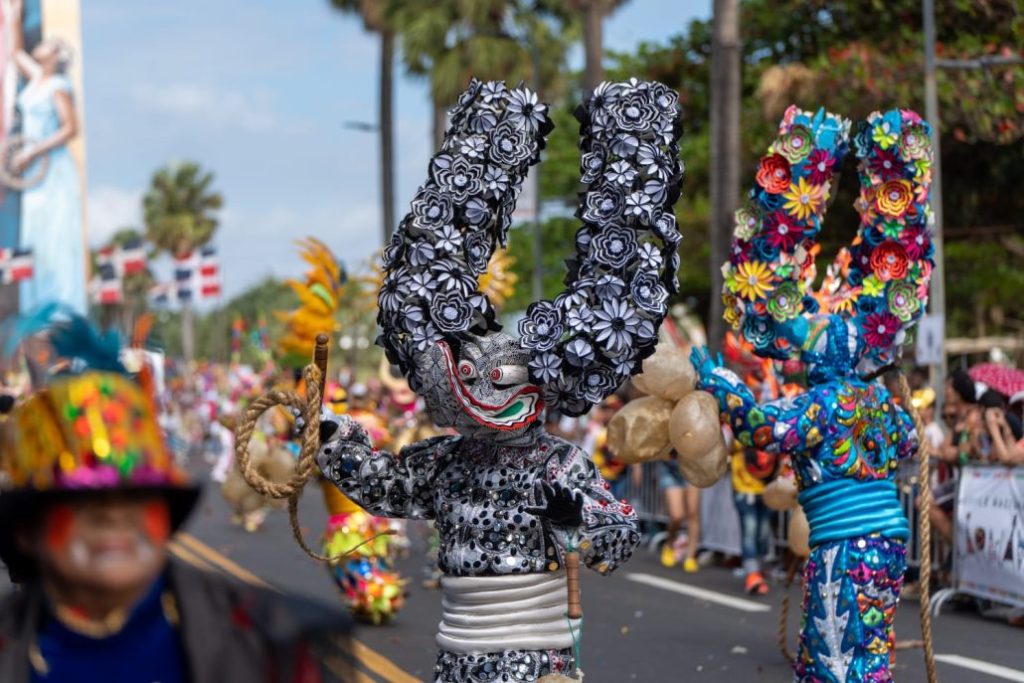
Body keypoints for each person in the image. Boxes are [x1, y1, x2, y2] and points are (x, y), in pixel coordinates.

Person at [318, 78, 682, 682]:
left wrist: (579, 517)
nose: (483, 392)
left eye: (501, 377)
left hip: (532, 662)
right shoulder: (447, 462)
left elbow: (618, 533)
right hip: (458, 660)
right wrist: (334, 440)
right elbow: (389, 488)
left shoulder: (558, 465)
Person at [696, 106, 934, 682]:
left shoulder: (824, 404)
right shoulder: (883, 405)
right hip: (888, 546)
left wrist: (719, 382)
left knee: (833, 659)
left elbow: (762, 430)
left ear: (821, 360)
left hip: (845, 546)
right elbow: (907, 441)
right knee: (865, 655)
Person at [0, 309, 351, 683]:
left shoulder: (272, 644)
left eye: (138, 496)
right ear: (28, 530)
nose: (115, 515)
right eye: (83, 501)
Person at [9, 0, 85, 314]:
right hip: (34, 175)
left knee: (56, 240)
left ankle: (62, 312)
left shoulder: (57, 85)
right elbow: (15, 53)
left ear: (55, 57)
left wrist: (34, 150)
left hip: (53, 170)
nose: (43, 44)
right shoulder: (37, 78)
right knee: (37, 240)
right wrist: (14, 17)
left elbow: (71, 128)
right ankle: (39, 310)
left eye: (50, 44)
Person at [658, 451, 701, 573]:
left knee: (693, 513)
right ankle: (669, 543)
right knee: (676, 515)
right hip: (671, 468)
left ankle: (691, 556)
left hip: (693, 468)